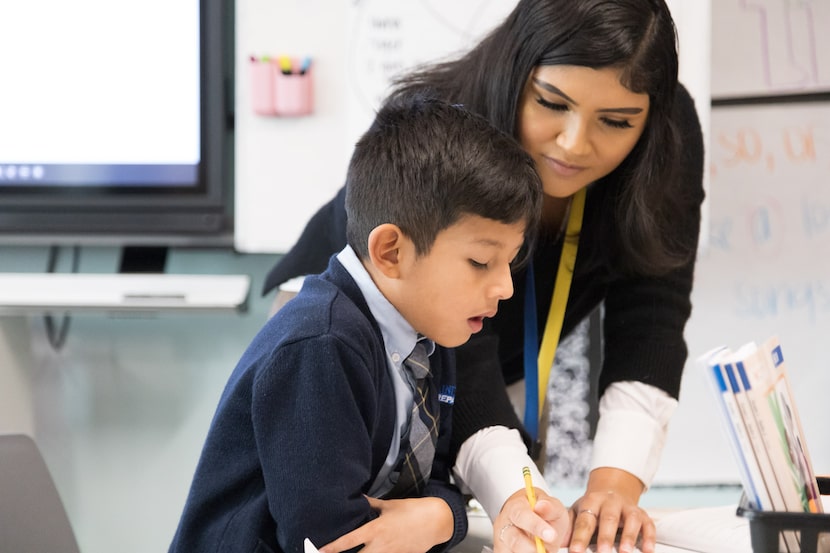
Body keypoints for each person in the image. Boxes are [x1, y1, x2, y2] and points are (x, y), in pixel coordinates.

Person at [262, 1, 706, 552]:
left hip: (445, 357)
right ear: (516, 69)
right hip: (348, 351)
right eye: (552, 103)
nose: (574, 143)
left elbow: (653, 314)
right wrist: (508, 503)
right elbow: (324, 532)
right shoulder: (448, 128)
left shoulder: (667, 136)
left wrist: (612, 487)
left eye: (615, 122)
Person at [168, 95, 559, 553]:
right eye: (480, 262)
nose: (504, 289)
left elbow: (425, 483)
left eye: (507, 265)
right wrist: (447, 514)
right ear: (391, 251)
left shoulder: (428, 331)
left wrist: (440, 512)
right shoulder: (322, 345)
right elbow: (334, 542)